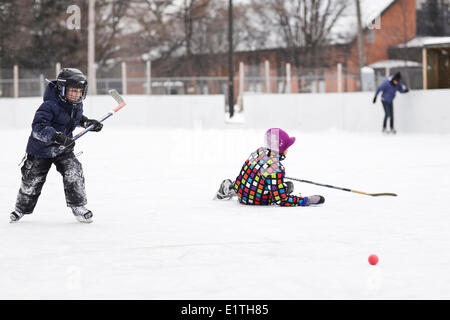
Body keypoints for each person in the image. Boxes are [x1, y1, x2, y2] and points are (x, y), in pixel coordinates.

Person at [10, 68, 103, 223]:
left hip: (63, 150)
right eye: (73, 91)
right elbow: (38, 127)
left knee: (74, 171)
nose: (76, 94)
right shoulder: (49, 105)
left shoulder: (76, 105)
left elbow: (74, 119)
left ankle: (78, 206)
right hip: (41, 150)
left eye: (79, 91)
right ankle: (21, 209)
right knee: (32, 180)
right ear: (62, 89)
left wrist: (87, 123)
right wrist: (57, 137)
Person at [216, 128, 325, 207]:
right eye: (286, 147)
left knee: (282, 185)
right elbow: (281, 200)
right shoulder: (275, 168)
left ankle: (230, 188)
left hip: (242, 192)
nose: (288, 149)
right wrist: (305, 200)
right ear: (281, 148)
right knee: (288, 187)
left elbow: (248, 172)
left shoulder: (259, 152)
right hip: (256, 200)